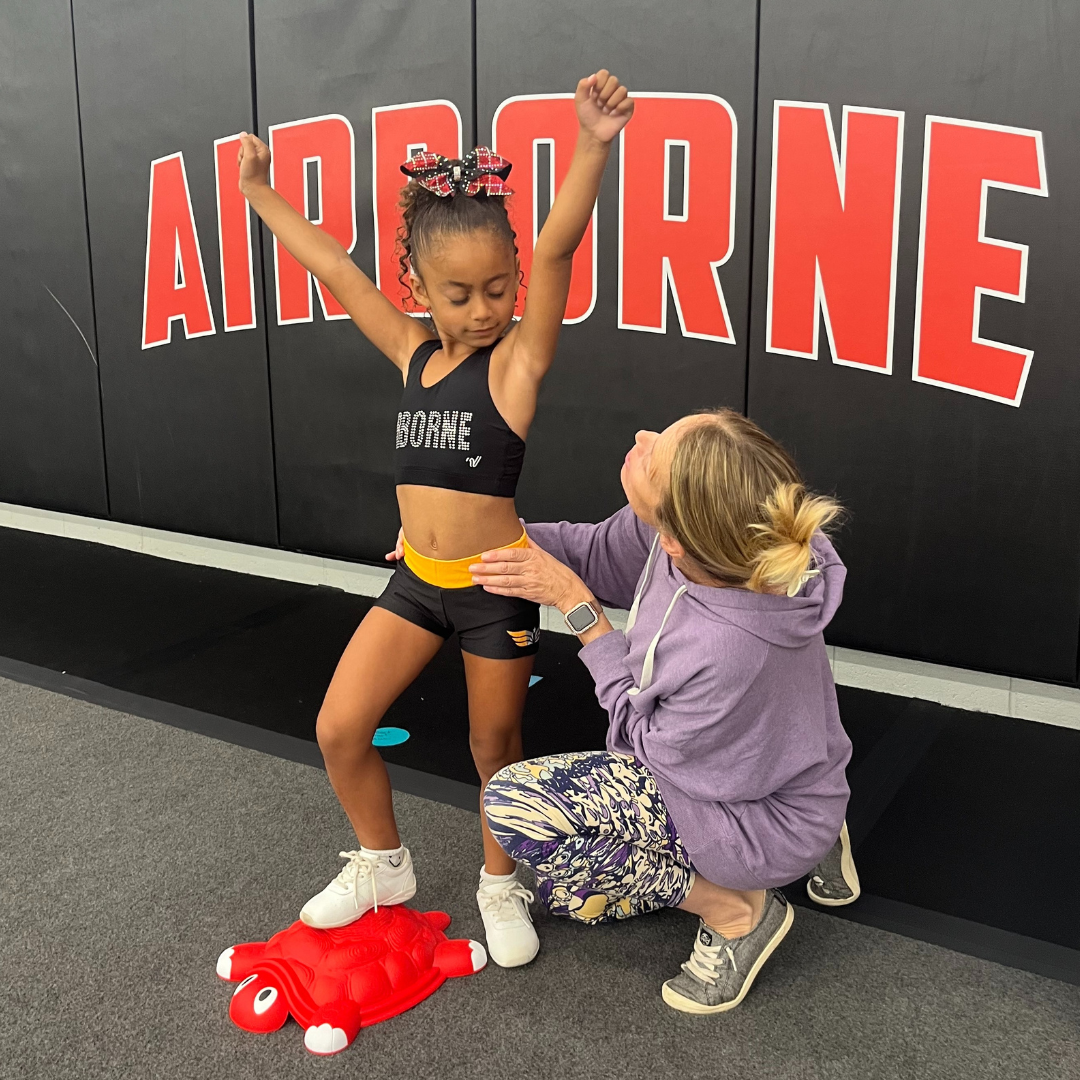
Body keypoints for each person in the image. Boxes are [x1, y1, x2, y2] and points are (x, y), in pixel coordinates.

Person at [235, 71, 634, 968]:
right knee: (339, 727)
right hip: (418, 578)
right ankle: (383, 863)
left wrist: (593, 146)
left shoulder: (515, 368)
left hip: (495, 590)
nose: (484, 309)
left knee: (495, 746)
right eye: (460, 294)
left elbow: (561, 250)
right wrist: (260, 191)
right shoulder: (412, 352)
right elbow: (336, 267)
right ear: (418, 282)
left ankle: (501, 882)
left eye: (499, 288)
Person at [470, 408, 860, 1012]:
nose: (640, 438)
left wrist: (582, 614)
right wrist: (480, 535)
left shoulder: (729, 646)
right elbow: (595, 553)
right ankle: (817, 825)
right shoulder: (737, 530)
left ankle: (742, 912)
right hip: (781, 769)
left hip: (755, 813)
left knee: (520, 813)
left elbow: (641, 743)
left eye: (653, 455)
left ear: (673, 538)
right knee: (580, 888)